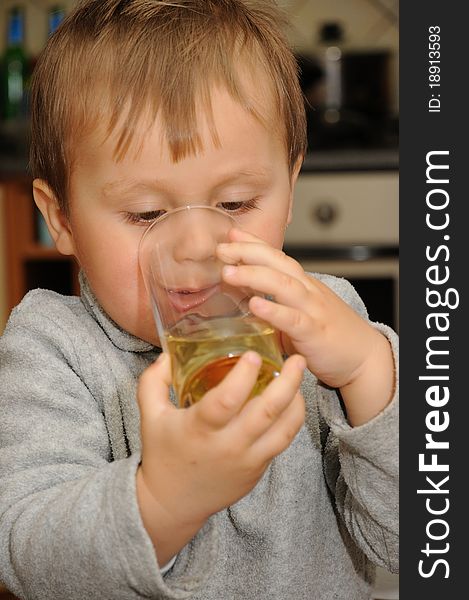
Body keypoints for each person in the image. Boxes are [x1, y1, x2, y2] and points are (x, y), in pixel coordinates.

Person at [0, 1, 398, 598]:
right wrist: (164, 500)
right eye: (146, 213)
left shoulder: (326, 324)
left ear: (289, 190)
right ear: (61, 218)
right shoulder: (54, 349)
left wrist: (370, 372)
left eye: (235, 204)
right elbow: (27, 557)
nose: (195, 247)